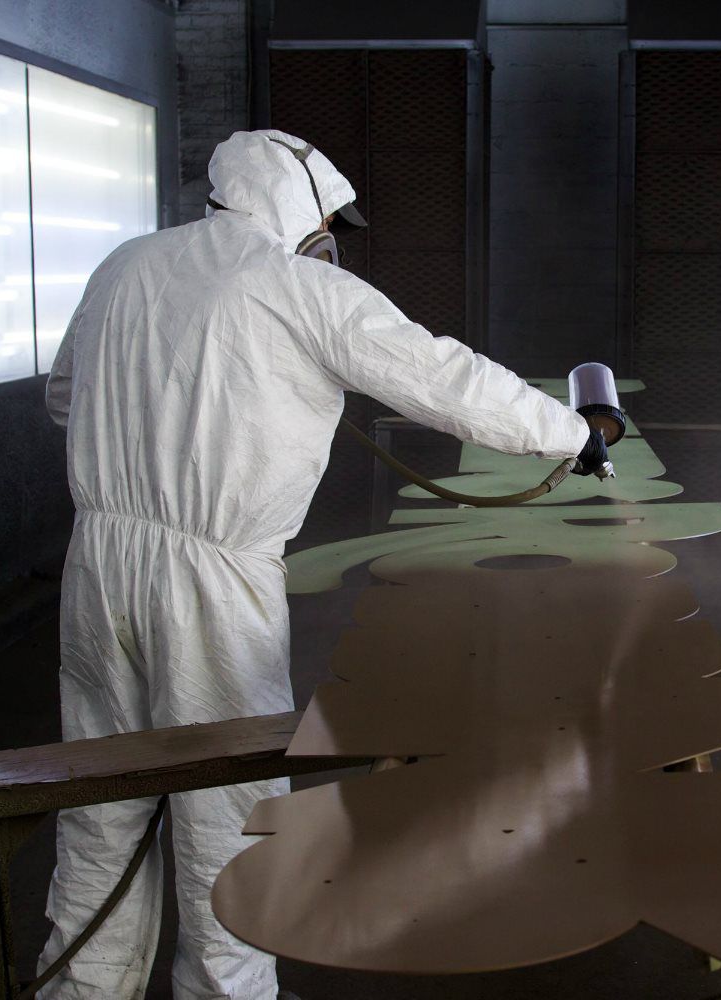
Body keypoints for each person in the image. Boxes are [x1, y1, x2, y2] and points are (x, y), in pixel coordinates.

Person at [39, 129, 601, 998]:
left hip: (97, 565)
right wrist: (573, 433)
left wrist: (159, 421)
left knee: (102, 803)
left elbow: (64, 395)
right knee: (226, 811)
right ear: (298, 207)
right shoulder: (301, 288)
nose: (331, 235)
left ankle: (79, 990)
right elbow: (445, 377)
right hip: (215, 581)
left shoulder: (125, 264)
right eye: (330, 218)